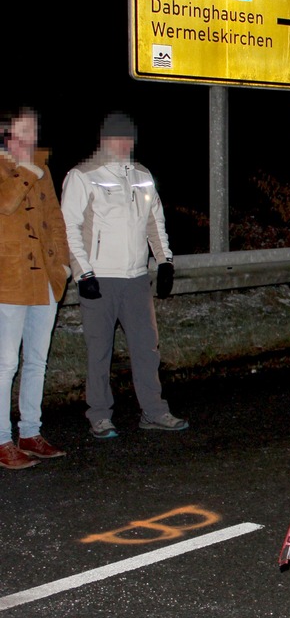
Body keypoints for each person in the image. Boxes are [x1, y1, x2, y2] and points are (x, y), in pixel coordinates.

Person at [61, 111, 188, 438]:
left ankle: (154, 411)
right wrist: (83, 273)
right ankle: (100, 415)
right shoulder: (82, 176)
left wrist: (165, 261)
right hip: (99, 280)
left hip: (135, 280)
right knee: (99, 350)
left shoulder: (142, 176)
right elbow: (69, 228)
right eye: (116, 137)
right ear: (104, 140)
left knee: (148, 348)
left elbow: (154, 222)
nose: (123, 144)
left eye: (127, 137)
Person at [0, 107, 71, 469]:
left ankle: (30, 431)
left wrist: (62, 264)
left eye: (34, 128)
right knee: (5, 363)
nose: (32, 134)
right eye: (24, 128)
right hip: (9, 281)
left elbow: (55, 220)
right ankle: (1, 440)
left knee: (37, 361)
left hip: (45, 279)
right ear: (8, 131)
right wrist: (25, 168)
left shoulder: (42, 168)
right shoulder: (7, 166)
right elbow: (6, 204)